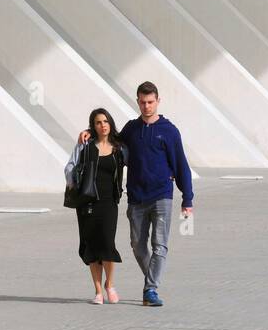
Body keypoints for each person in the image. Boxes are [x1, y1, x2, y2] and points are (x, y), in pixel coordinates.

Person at [78, 82, 193, 307]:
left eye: (150, 102)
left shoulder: (169, 131)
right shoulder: (132, 129)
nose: (146, 106)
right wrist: (90, 131)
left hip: (162, 196)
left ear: (158, 101)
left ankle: (150, 289)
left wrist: (187, 198)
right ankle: (152, 280)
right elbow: (111, 136)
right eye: (142, 102)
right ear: (138, 102)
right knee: (137, 246)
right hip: (137, 198)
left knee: (160, 245)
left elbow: (181, 164)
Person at [65, 108, 126, 304]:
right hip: (87, 204)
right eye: (98, 122)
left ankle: (110, 285)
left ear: (110, 123)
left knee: (107, 244)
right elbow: (69, 167)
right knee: (92, 246)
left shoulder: (119, 147)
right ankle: (98, 291)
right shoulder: (85, 146)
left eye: (106, 121)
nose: (103, 125)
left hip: (109, 203)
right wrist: (75, 184)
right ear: (94, 126)